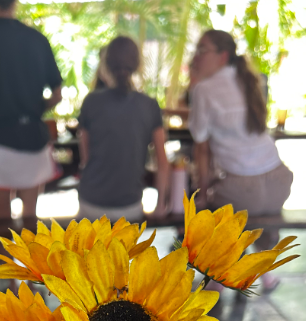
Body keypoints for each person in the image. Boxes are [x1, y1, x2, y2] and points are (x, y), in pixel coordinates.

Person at [188, 30, 293, 291]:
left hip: (244, 189)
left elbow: (201, 147)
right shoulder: (247, 80)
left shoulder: (204, 88)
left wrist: (202, 192)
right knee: (256, 213)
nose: (197, 56)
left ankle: (218, 277)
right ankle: (265, 272)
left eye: (203, 50)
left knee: (209, 209)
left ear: (222, 56)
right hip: (279, 180)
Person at [0, 0, 62, 269]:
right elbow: (57, 93)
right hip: (34, 137)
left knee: (3, 219)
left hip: (0, 137)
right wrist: (37, 109)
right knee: (30, 218)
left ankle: (8, 279)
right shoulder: (37, 38)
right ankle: (31, 276)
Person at [77, 36, 169, 222]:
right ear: (137, 65)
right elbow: (162, 162)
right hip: (128, 207)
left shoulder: (91, 102)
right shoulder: (149, 105)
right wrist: (160, 206)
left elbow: (85, 157)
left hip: (91, 203)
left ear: (106, 65)